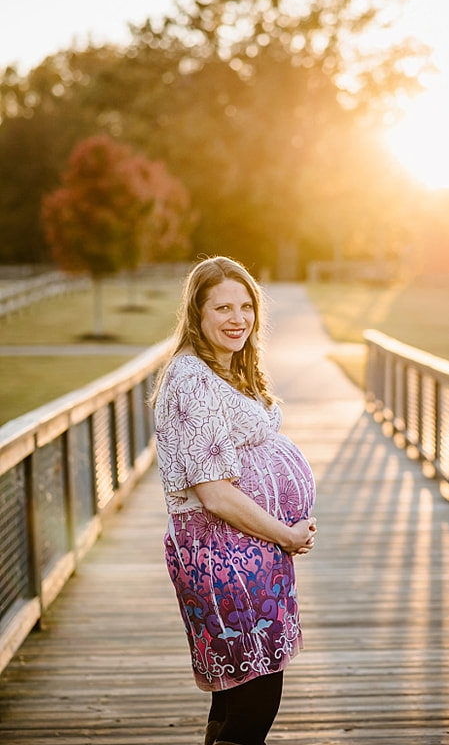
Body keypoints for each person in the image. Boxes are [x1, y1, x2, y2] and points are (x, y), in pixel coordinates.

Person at [151, 256, 318, 745]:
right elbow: (214, 492)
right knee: (253, 707)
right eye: (222, 307)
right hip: (223, 557)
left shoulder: (221, 371)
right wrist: (285, 532)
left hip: (247, 556)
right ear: (197, 315)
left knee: (231, 699)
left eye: (246, 306)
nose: (237, 318)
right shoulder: (191, 378)